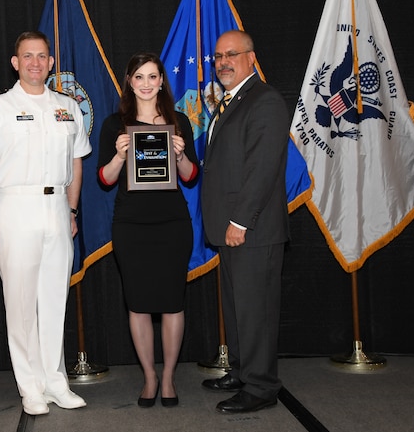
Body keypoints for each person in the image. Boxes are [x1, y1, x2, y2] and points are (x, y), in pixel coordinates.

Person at [0, 31, 91, 416]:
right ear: (15, 63)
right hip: (14, 207)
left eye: (42, 56)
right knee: (20, 304)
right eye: (27, 56)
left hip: (56, 209)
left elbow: (76, 162)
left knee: (54, 300)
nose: (36, 63)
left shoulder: (68, 107)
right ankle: (30, 387)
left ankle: (55, 380)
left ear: (52, 63)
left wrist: (71, 211)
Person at [97, 52, 198, 408]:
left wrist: (182, 153)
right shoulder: (114, 124)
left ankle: (169, 377)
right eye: (138, 77)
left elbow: (190, 175)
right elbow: (105, 179)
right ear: (129, 81)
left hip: (172, 223)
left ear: (161, 81)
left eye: (152, 76)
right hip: (131, 225)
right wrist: (120, 156)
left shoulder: (179, 121)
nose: (145, 83)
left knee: (172, 303)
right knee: (137, 304)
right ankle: (149, 377)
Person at [200, 30, 290, 413]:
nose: (222, 62)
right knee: (238, 307)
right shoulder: (232, 100)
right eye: (217, 56)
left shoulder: (265, 100)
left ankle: (261, 387)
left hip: (252, 228)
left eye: (231, 54)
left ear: (251, 58)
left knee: (256, 311)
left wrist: (240, 221)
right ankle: (241, 371)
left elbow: (262, 169)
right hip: (232, 228)